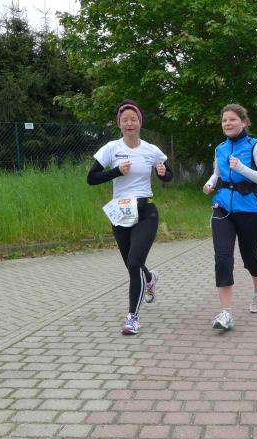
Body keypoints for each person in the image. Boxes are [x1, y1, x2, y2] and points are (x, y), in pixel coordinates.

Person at [87, 99, 172, 335]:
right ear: (119, 124)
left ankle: (132, 318)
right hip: (121, 212)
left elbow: (168, 175)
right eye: (125, 120)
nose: (129, 123)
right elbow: (91, 178)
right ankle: (149, 278)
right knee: (132, 265)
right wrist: (116, 171)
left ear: (140, 123)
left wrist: (163, 173)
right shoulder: (111, 148)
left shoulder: (151, 150)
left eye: (133, 119)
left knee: (134, 262)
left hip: (146, 211)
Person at [203, 104, 257, 331]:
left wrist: (242, 168)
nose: (227, 123)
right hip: (222, 208)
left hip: (250, 211)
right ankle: (226, 313)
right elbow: (217, 174)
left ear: (243, 122)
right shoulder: (220, 148)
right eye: (224, 120)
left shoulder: (255, 146)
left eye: (232, 119)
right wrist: (210, 183)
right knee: (223, 258)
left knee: (250, 258)